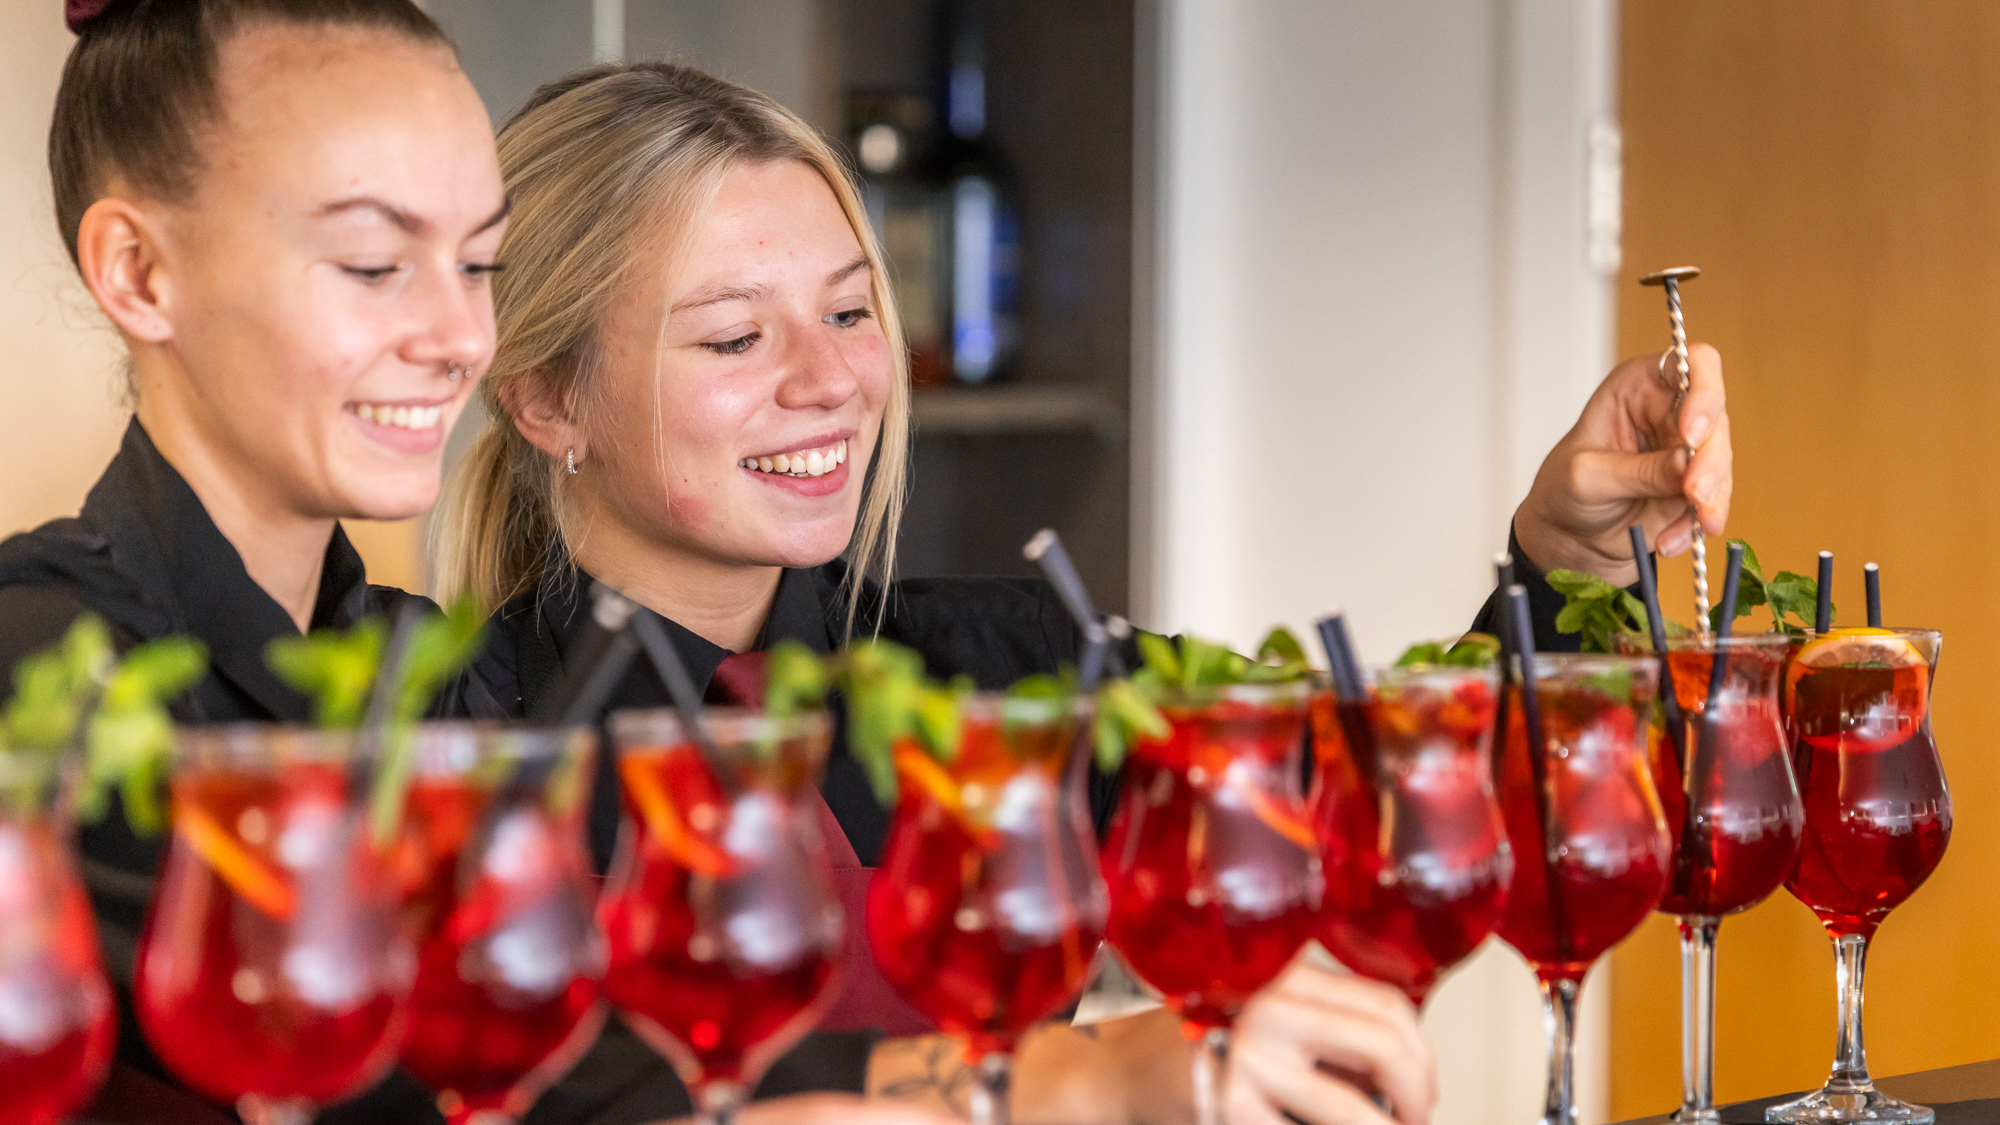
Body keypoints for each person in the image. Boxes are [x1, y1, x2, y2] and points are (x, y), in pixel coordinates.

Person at [437, 61, 1733, 1125]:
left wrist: (1566, 563)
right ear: (547, 397)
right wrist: (1088, 1078)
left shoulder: (1004, 664)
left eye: (849, 312)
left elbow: (1398, 809)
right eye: (734, 336)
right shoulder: (456, 759)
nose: (829, 380)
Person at [0, 5, 957, 1124]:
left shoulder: (425, 684)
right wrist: (1013, 1081)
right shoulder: (41, 669)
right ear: (139, 272)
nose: (462, 334)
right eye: (371, 263)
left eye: (477, 264)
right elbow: (432, 1062)